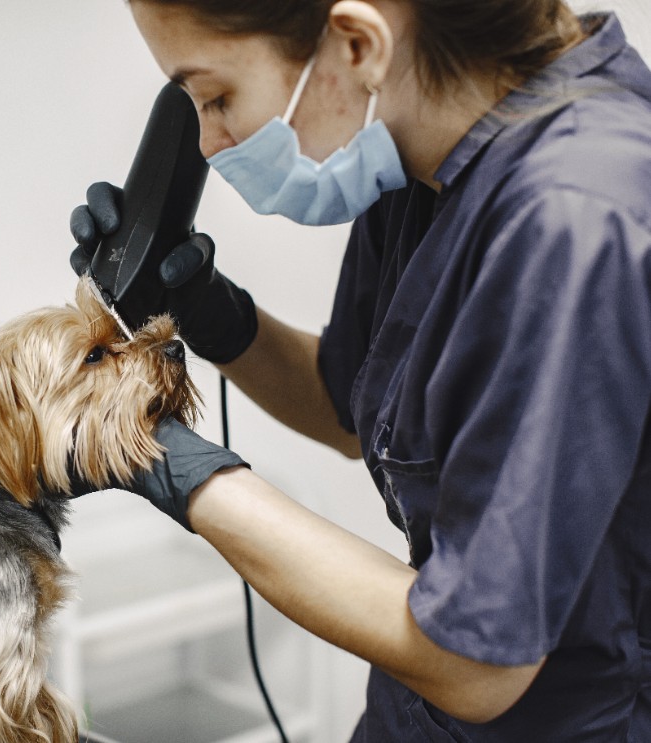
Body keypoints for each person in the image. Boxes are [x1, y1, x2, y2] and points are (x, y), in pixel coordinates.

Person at [67, 1, 651, 739]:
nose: (209, 145)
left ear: (357, 43)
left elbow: (479, 661)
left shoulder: (575, 218)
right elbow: (348, 406)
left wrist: (173, 465)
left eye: (216, 98)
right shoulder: (422, 163)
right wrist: (209, 313)